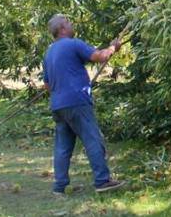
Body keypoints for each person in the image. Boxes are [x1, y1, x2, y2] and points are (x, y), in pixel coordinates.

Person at [42, 14, 125, 194]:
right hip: (77, 102)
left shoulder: (48, 53)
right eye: (69, 23)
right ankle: (102, 181)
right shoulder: (74, 44)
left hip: (58, 105)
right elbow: (99, 56)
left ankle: (60, 186)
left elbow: (47, 85)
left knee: (63, 147)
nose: (72, 25)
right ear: (62, 28)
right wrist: (113, 47)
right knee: (92, 140)